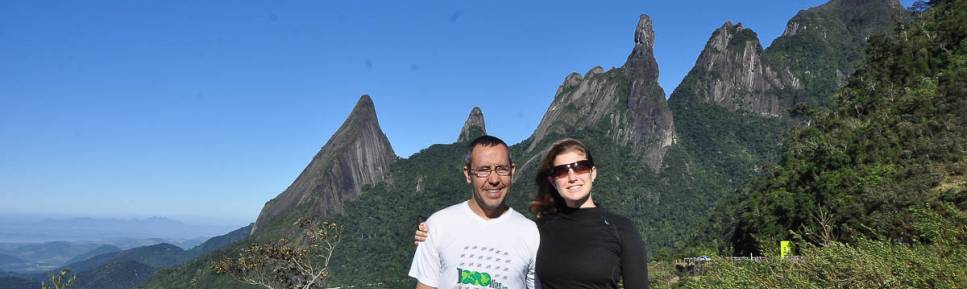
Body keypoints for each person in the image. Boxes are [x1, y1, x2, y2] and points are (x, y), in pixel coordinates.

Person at [417, 138, 648, 289]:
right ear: (552, 180)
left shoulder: (621, 228)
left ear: (593, 172)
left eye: (581, 167)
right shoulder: (540, 229)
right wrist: (428, 234)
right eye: (561, 171)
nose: (572, 176)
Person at [408, 135, 539, 289]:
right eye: (483, 170)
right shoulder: (438, 225)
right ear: (468, 174)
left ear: (512, 171)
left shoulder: (530, 232)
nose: (494, 179)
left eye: (502, 169)